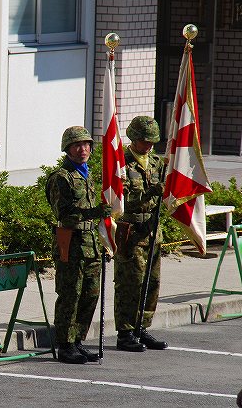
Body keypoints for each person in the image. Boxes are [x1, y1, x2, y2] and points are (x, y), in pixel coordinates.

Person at [45, 126, 111, 364]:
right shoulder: (61, 178)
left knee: (90, 295)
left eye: (86, 145)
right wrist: (93, 212)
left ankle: (77, 340)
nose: (83, 149)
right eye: (77, 145)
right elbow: (63, 214)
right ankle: (65, 344)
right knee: (70, 295)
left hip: (90, 244)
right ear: (68, 149)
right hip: (71, 244)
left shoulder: (86, 174)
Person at [114, 116, 168, 352]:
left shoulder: (157, 163)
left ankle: (142, 328)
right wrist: (151, 192)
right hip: (131, 232)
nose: (149, 146)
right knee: (131, 283)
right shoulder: (122, 164)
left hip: (152, 231)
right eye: (145, 141)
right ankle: (125, 332)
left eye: (152, 142)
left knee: (151, 282)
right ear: (134, 139)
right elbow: (120, 199)